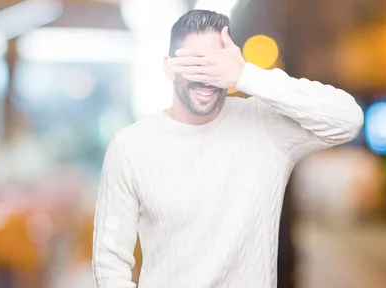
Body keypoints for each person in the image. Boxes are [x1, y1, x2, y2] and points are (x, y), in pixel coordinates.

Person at [92, 9, 363, 288]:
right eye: (194, 63)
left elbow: (348, 120)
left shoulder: (265, 127)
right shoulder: (130, 146)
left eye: (215, 64)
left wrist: (246, 75)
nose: (205, 77)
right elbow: (110, 261)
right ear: (168, 66)